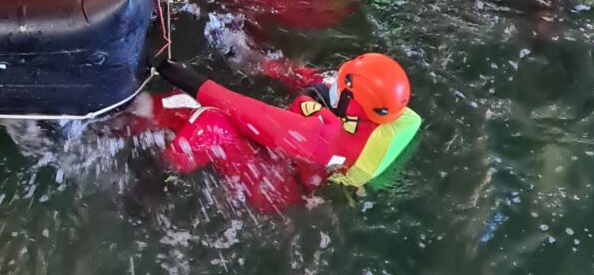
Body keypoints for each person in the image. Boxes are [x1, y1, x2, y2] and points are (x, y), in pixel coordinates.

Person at [149, 54, 423, 213]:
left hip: (281, 190)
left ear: (351, 102)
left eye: (342, 83)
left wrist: (174, 72)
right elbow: (324, 85)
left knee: (208, 122)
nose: (335, 82)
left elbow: (248, 112)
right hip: (311, 165)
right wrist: (261, 63)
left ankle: (149, 187)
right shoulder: (385, 115)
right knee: (185, 108)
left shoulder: (325, 140)